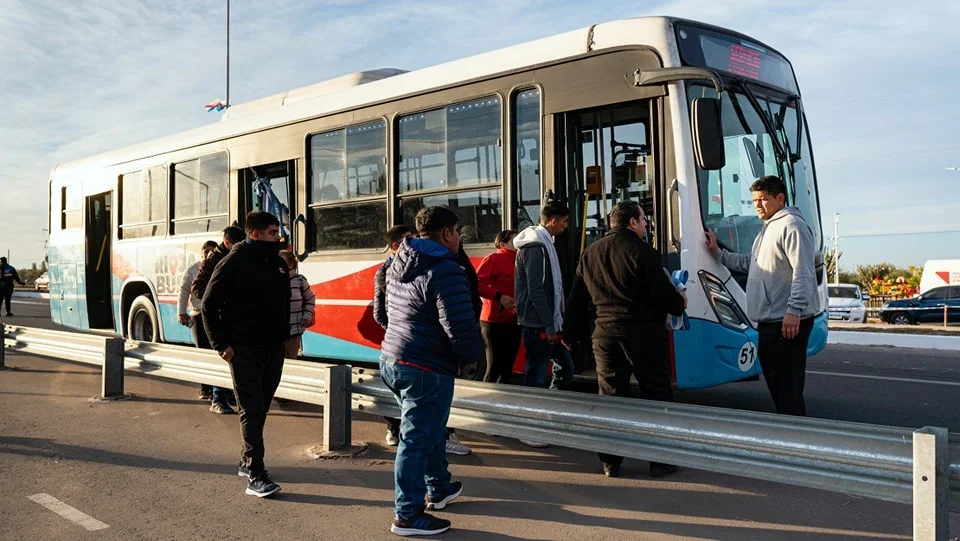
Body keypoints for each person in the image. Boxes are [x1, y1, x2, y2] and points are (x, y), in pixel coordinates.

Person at [563, 201, 686, 478]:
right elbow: (665, 296)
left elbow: (577, 299)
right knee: (656, 394)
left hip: (604, 335)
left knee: (610, 396)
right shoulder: (644, 253)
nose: (645, 225)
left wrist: (569, 335)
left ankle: (610, 461)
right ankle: (660, 460)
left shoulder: (590, 253)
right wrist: (680, 302)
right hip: (643, 334)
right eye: (643, 220)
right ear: (631, 222)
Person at [379, 206, 482, 536]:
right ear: (449, 233)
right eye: (458, 234)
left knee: (429, 427)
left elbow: (381, 314)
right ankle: (407, 515)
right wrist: (470, 359)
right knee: (417, 439)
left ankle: (439, 487)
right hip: (426, 365)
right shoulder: (445, 269)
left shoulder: (394, 263)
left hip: (394, 358)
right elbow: (460, 326)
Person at [705, 175, 818, 417]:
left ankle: (795, 439)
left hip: (785, 322)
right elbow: (749, 263)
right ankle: (789, 435)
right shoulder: (768, 228)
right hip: (771, 321)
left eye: (763, 199)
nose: (757, 205)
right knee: (779, 386)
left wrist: (793, 311)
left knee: (787, 388)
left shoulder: (791, 225)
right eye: (755, 200)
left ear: (780, 198)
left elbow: (804, 272)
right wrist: (718, 253)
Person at [201, 211, 291, 498]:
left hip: (273, 348)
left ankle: (246, 458)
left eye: (278, 232)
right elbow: (208, 305)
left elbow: (284, 303)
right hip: (243, 349)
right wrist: (221, 345)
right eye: (272, 233)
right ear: (255, 234)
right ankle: (256, 473)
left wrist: (285, 339)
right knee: (251, 409)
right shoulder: (234, 262)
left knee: (261, 407)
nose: (278, 237)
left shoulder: (278, 263)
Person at [513, 201, 576, 448]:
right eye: (564, 221)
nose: (565, 226)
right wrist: (549, 325)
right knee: (535, 375)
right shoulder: (535, 248)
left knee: (565, 367)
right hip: (537, 323)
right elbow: (536, 290)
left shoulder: (546, 244)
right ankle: (529, 426)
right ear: (553, 221)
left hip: (548, 322)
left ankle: (546, 412)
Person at [178, 241, 234, 414]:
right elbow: (185, 290)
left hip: (217, 315)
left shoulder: (223, 266)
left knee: (219, 355)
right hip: (199, 315)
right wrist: (181, 312)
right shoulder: (196, 269)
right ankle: (209, 390)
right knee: (206, 353)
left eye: (212, 251)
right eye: (206, 252)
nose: (209, 254)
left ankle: (223, 393)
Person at [192, 225, 245, 402]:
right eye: (237, 243)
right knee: (223, 355)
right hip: (220, 317)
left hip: (233, 317)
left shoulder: (237, 256)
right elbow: (197, 289)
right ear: (227, 243)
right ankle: (218, 399)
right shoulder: (214, 260)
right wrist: (218, 295)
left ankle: (228, 395)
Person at [374, 225, 414, 447]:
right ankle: (394, 428)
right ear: (397, 245)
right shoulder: (386, 271)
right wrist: (397, 330)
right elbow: (380, 311)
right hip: (401, 341)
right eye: (410, 240)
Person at [476, 230, 520, 384]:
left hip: (514, 320)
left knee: (507, 368)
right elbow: (477, 283)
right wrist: (499, 296)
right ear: (502, 244)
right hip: (494, 321)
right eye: (515, 240)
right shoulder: (494, 258)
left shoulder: (521, 259)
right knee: (494, 368)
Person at [279, 250, 315, 360]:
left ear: (291, 264)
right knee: (278, 360)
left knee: (291, 360)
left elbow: (310, 298)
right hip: (278, 330)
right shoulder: (273, 279)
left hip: (295, 329)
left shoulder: (300, 281)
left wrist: (307, 316)